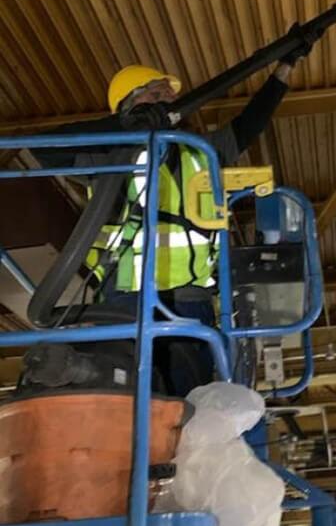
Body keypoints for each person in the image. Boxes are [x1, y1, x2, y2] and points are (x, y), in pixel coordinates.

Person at [33, 51, 310, 394]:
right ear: (129, 104)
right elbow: (44, 151)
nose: (169, 99)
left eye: (170, 94)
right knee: (126, 393)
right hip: (124, 297)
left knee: (182, 396)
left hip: (189, 299)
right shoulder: (107, 151)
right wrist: (124, 128)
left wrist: (284, 68)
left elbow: (249, 124)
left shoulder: (201, 151)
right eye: (157, 92)